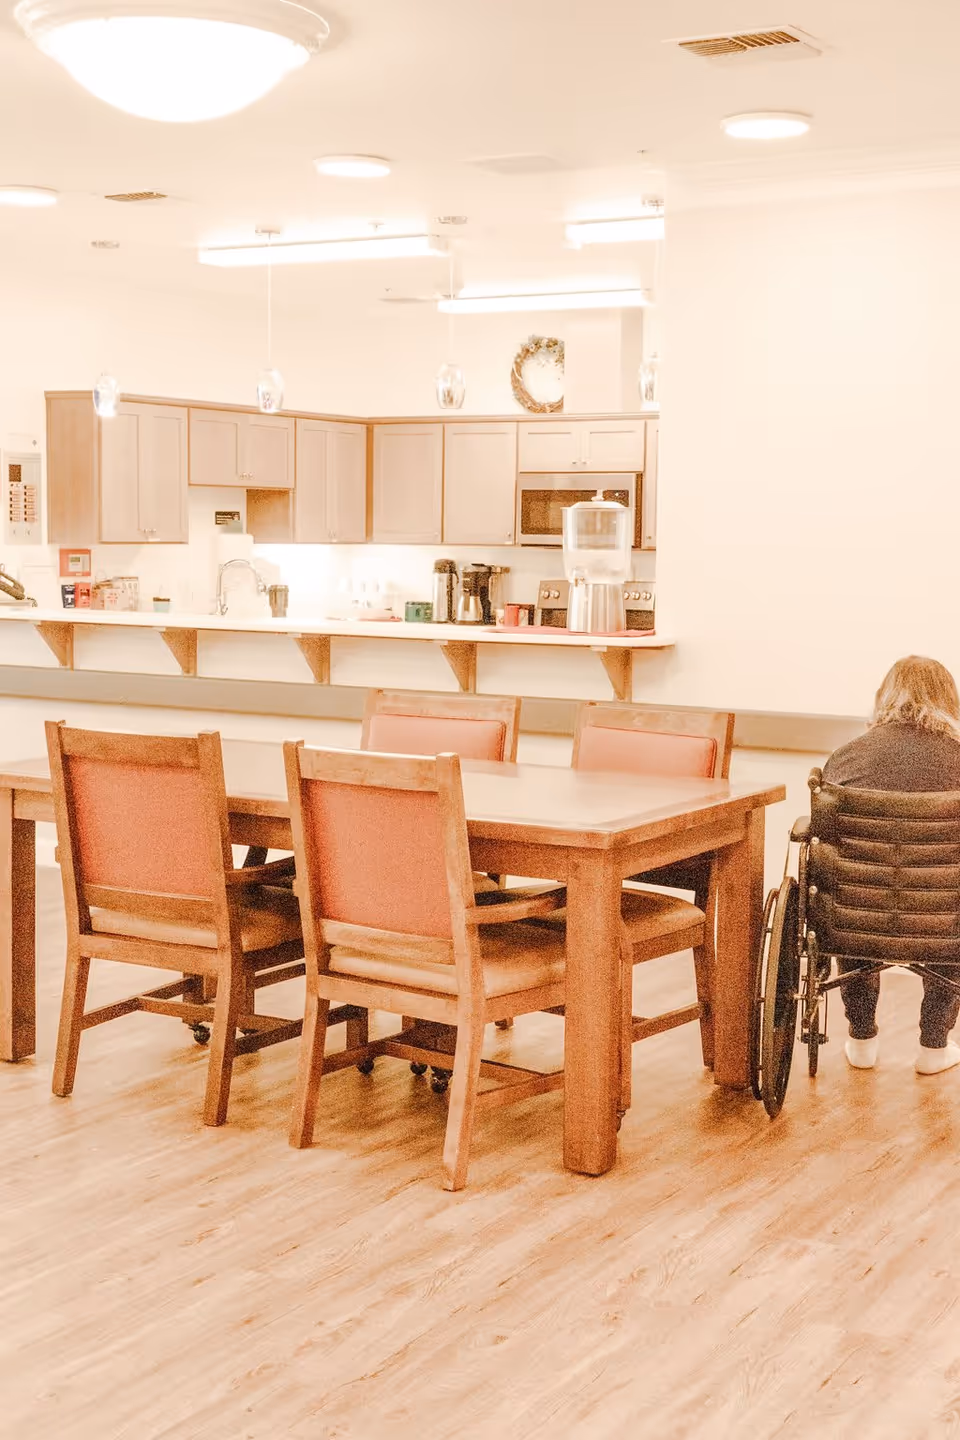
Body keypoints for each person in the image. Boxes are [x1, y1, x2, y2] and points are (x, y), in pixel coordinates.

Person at [822, 655, 960, 1075]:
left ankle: (861, 1038)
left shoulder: (845, 758)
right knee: (948, 898)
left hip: (857, 920)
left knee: (852, 888)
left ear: (884, 698)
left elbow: (827, 845)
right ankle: (934, 1047)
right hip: (943, 921)